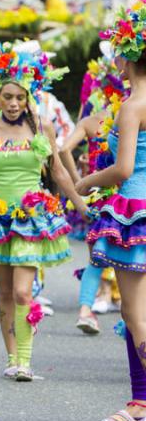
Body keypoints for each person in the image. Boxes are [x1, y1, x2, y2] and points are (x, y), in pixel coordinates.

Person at [0, 41, 87, 382]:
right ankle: (12, 357)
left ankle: (24, 360)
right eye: (7, 97)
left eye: (19, 98)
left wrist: (82, 205)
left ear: (28, 98)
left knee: (24, 292)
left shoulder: (43, 129)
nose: (12, 104)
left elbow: (59, 173)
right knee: (4, 294)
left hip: (32, 216)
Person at [77, 6, 146, 421]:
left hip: (135, 212)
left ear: (128, 56)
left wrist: (86, 181)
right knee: (132, 316)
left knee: (136, 316)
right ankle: (139, 401)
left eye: (118, 53)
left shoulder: (132, 106)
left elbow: (121, 170)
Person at [59, 49, 128, 335]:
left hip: (99, 198)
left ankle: (86, 310)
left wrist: (81, 183)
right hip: (128, 198)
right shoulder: (130, 118)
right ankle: (130, 318)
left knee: (97, 258)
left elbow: (63, 149)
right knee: (134, 261)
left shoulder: (91, 122)